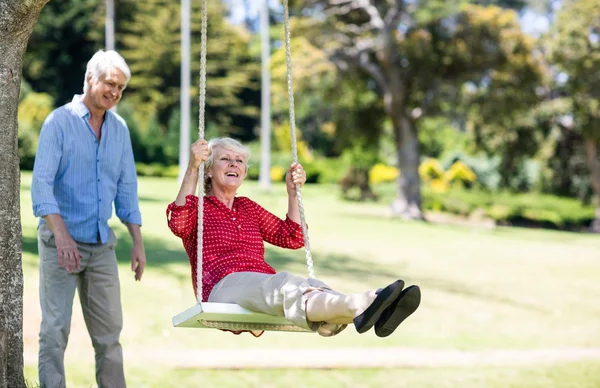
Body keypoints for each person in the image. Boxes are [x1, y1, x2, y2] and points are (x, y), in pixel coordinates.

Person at [167, 137, 420, 338]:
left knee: (304, 284)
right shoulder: (198, 208)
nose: (234, 164)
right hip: (222, 287)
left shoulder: (248, 208)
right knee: (285, 284)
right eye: (225, 159)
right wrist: (192, 167)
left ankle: (372, 309)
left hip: (261, 285)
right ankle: (364, 303)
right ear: (209, 170)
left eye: (240, 160)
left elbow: (293, 236)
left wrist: (292, 193)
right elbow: (178, 223)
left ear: (244, 172)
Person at [31, 49, 146, 388]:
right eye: (110, 83)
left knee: (110, 335)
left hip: (100, 246)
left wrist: (137, 241)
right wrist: (62, 237)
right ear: (90, 79)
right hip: (59, 244)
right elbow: (41, 186)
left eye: (121, 87)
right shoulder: (58, 122)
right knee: (55, 330)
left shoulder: (120, 130)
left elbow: (127, 188)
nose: (115, 92)